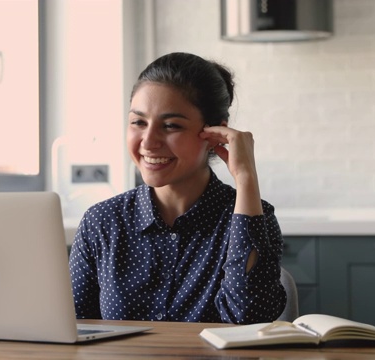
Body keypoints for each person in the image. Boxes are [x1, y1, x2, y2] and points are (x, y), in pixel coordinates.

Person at [68, 52, 286, 324]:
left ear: (215, 133)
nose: (148, 142)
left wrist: (246, 177)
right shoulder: (101, 222)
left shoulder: (253, 218)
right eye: (138, 122)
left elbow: (250, 318)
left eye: (171, 125)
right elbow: (73, 328)